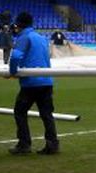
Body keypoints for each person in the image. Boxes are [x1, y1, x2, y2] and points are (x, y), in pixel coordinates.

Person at [7, 12, 58, 155]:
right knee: (47, 114)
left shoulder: (24, 37)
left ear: (19, 24)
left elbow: (16, 55)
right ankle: (52, 144)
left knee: (20, 112)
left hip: (31, 82)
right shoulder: (41, 38)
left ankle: (24, 144)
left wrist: (12, 72)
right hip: (46, 80)